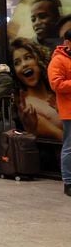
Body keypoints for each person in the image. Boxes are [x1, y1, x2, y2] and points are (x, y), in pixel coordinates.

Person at [10, 38, 61, 141]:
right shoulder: (27, 107)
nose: (24, 64)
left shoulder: (57, 92)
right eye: (17, 63)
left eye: (28, 57)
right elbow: (63, 137)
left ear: (39, 59)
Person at [46, 14, 71, 197]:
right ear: (68, 42)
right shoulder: (58, 60)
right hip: (69, 111)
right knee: (69, 147)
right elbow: (57, 85)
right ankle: (68, 182)